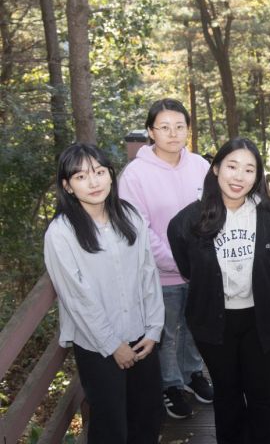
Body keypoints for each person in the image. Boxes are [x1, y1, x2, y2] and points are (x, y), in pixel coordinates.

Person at [167, 138, 270, 443]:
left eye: (249, 170)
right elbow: (187, 266)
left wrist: (258, 290)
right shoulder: (189, 220)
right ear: (216, 168)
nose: (239, 177)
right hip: (213, 322)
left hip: (259, 319)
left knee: (260, 391)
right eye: (232, 166)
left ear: (258, 176)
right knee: (227, 392)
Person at [44, 143, 164, 444]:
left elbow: (148, 274)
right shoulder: (61, 233)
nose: (94, 182)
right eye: (81, 177)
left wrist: (154, 329)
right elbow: (76, 298)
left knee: (147, 417)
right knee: (111, 426)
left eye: (99, 172)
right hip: (97, 346)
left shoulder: (130, 216)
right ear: (67, 186)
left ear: (111, 175)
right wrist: (113, 345)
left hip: (142, 336)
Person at [119, 98, 213, 419]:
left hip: (200, 272)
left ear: (188, 128)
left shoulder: (201, 166)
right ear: (150, 132)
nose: (173, 133)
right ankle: (171, 384)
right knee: (166, 332)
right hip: (161, 275)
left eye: (179, 126)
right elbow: (139, 230)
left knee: (195, 326)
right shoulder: (135, 175)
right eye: (164, 127)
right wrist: (177, 262)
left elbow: (214, 215)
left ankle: (193, 373)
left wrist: (201, 263)